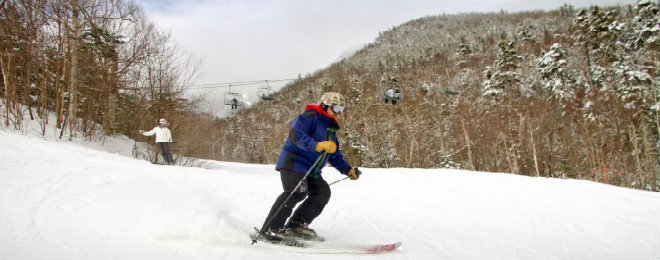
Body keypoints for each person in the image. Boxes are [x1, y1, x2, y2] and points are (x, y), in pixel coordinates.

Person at [259, 92, 362, 242]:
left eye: (342, 109)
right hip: (294, 163)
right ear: (325, 104)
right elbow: (296, 135)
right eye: (336, 108)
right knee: (297, 191)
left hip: (312, 169)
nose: (338, 113)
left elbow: (334, 155)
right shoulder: (309, 117)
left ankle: (296, 225)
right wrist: (316, 145)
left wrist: (348, 170)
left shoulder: (331, 129)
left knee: (322, 192)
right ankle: (270, 229)